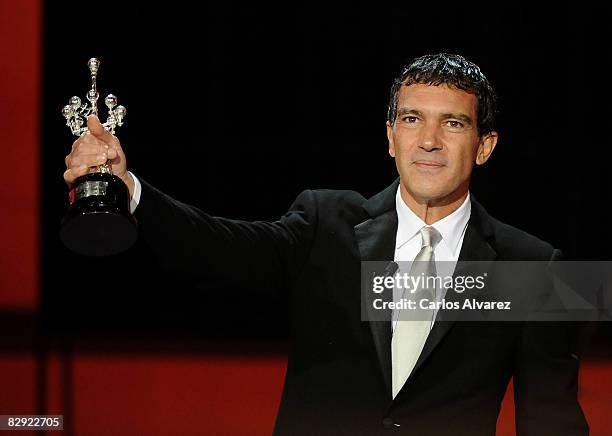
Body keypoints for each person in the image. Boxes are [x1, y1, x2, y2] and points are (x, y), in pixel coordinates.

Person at [63, 53, 588, 435]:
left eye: (452, 123)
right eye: (412, 119)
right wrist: (130, 191)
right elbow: (217, 246)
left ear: (485, 145)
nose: (429, 140)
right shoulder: (326, 222)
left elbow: (553, 422)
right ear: (390, 136)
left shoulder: (537, 269)